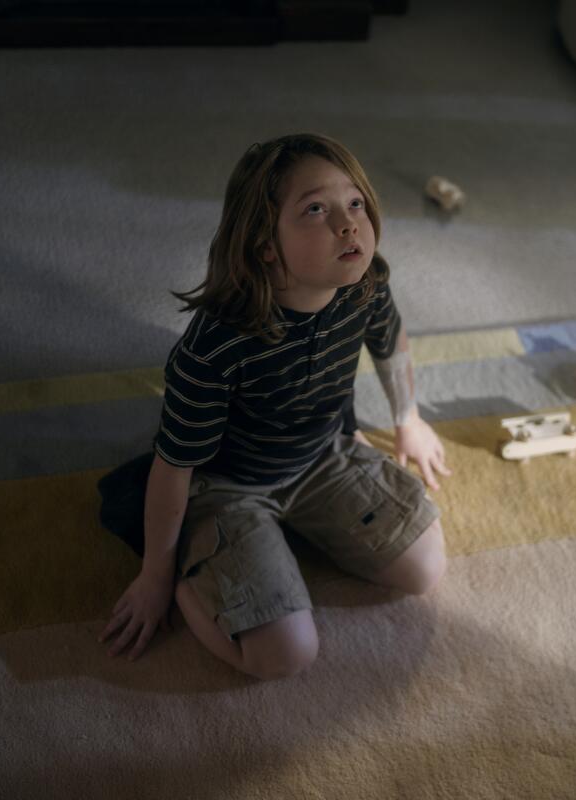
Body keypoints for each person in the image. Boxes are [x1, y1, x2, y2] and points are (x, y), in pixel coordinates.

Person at [99, 133, 451, 679]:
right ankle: (195, 571)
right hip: (224, 487)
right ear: (265, 244)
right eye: (316, 209)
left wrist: (409, 420)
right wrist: (155, 575)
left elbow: (391, 340)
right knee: (283, 655)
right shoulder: (215, 346)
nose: (348, 224)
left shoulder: (367, 282)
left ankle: (278, 542)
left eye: (354, 203)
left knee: (424, 567)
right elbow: (174, 465)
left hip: (319, 456)